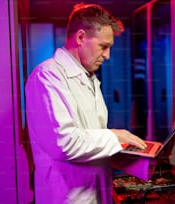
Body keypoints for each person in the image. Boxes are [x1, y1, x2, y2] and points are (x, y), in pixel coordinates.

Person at [25, 3, 147, 204]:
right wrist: (114, 136)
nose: (107, 55)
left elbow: (90, 144)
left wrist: (139, 160)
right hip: (68, 197)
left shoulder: (88, 77)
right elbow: (64, 144)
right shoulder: (47, 76)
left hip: (96, 193)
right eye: (104, 46)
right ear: (81, 37)